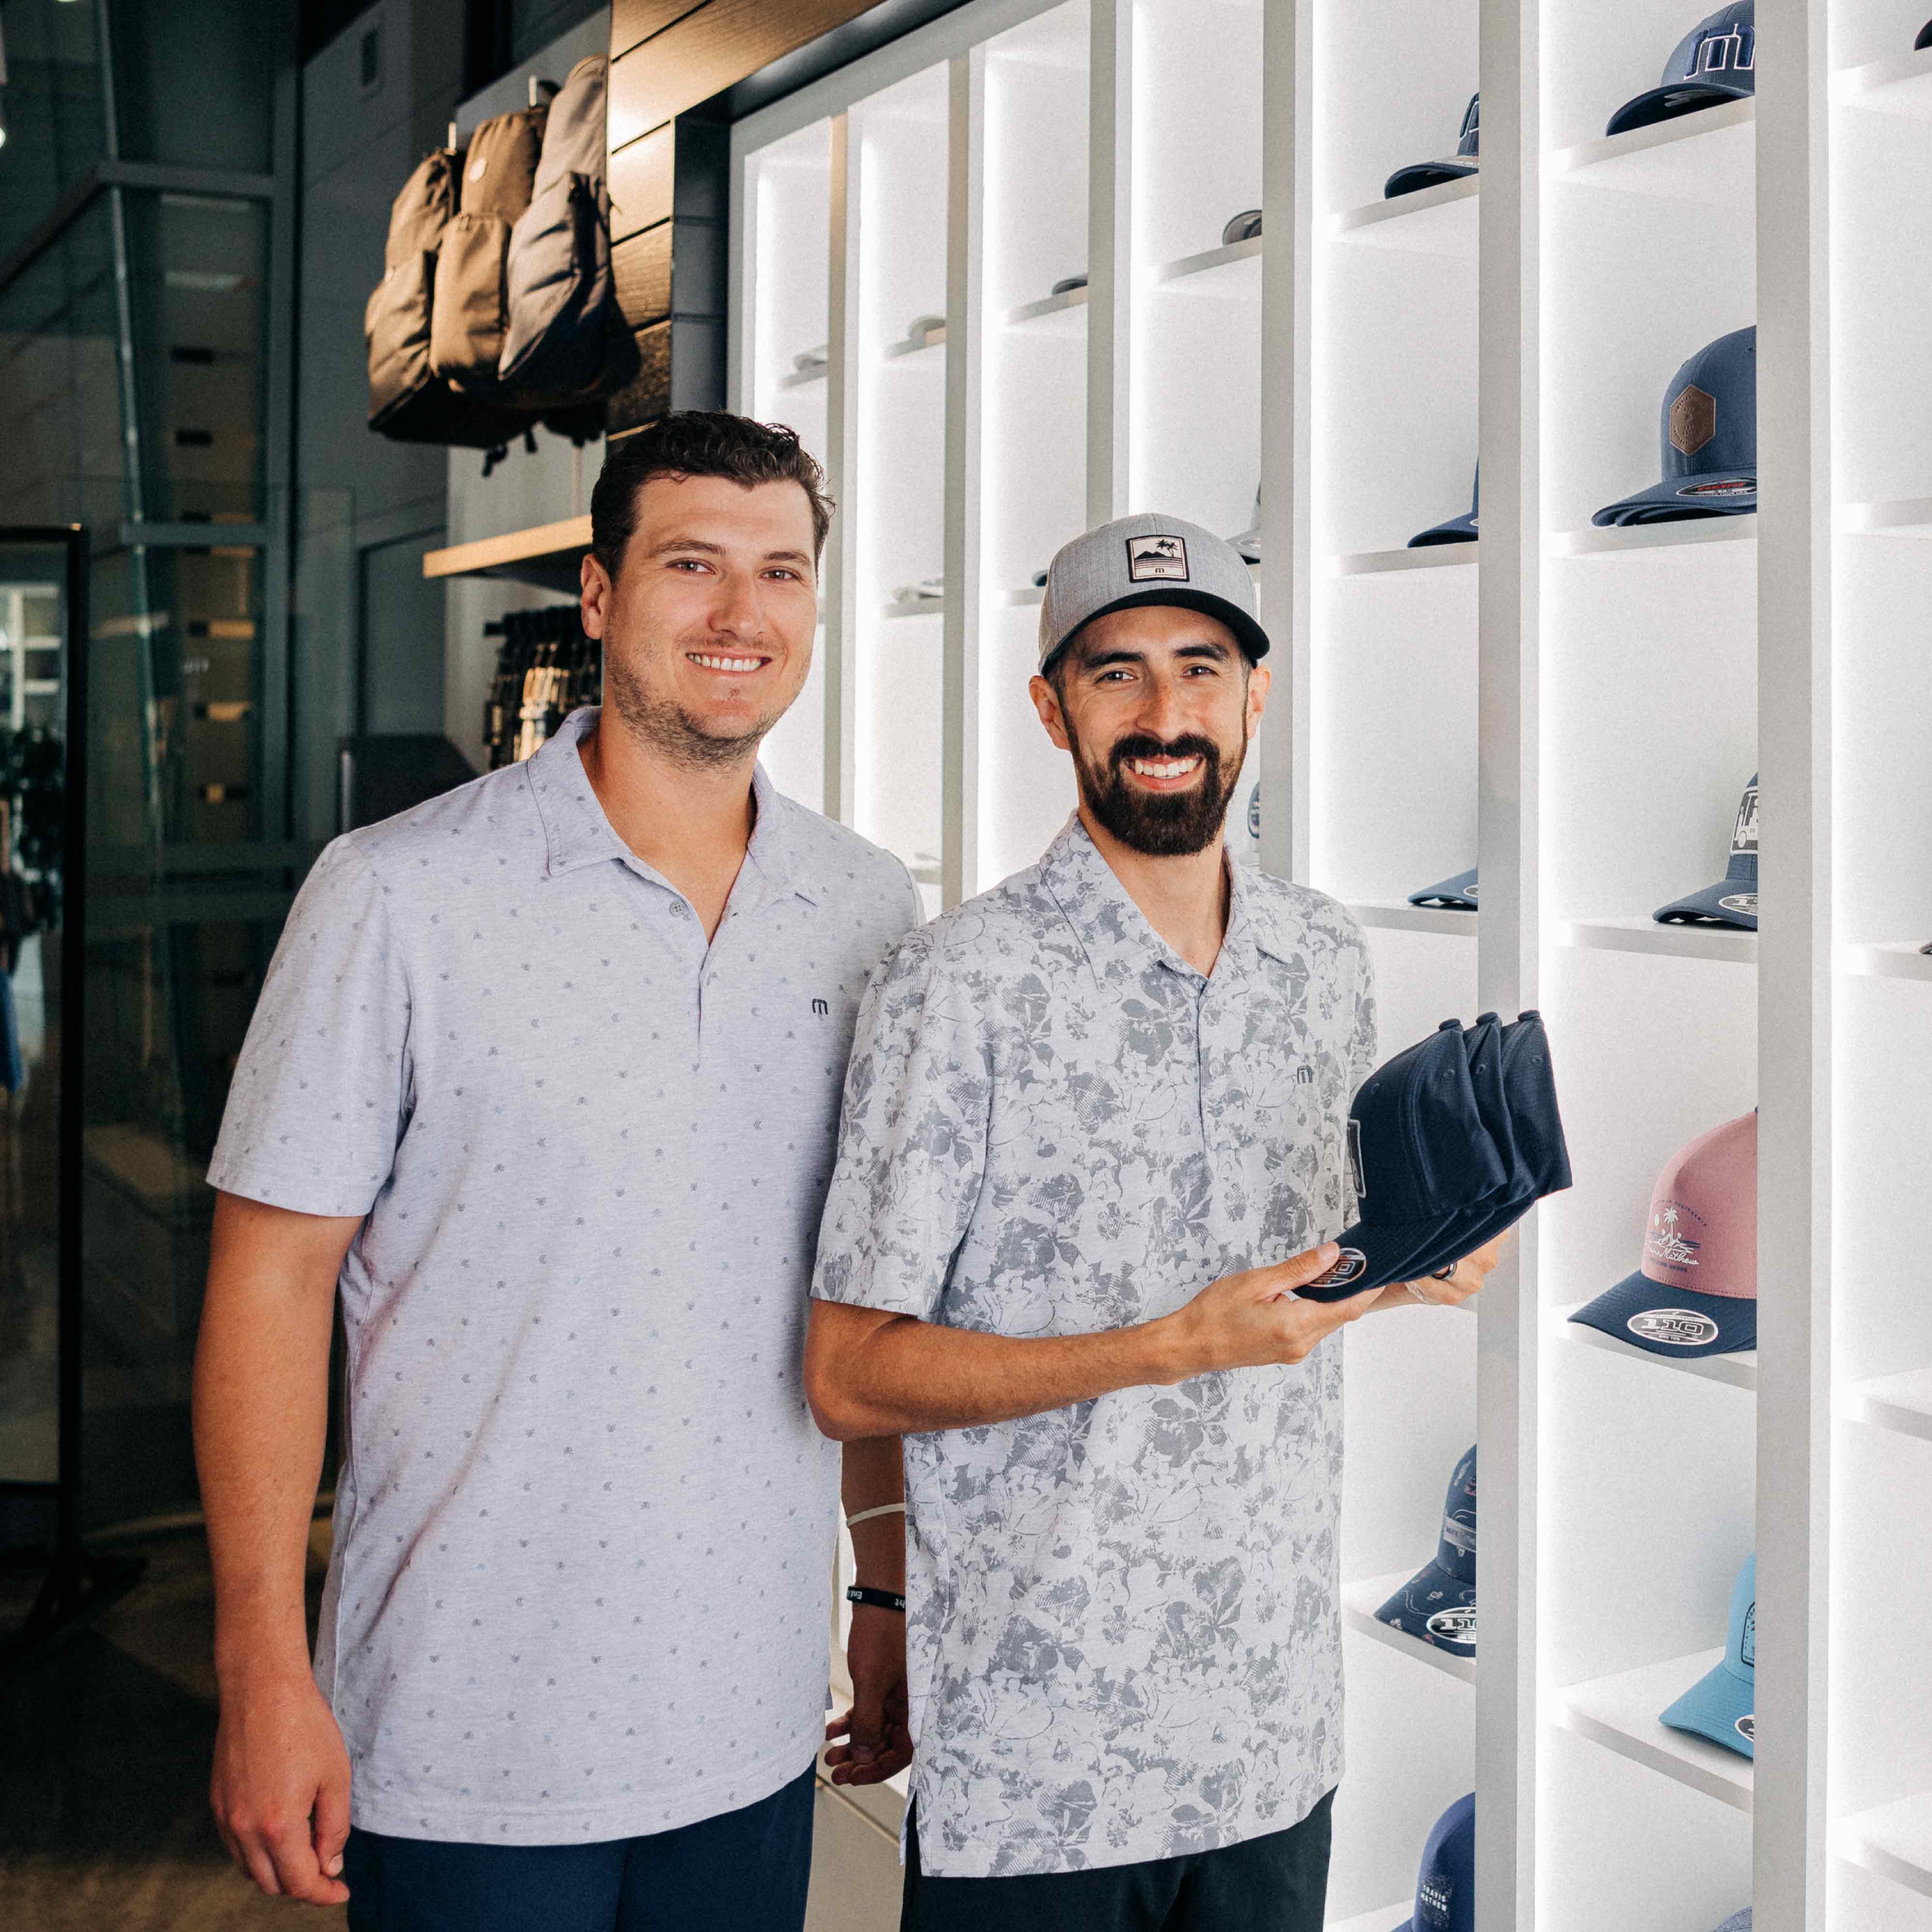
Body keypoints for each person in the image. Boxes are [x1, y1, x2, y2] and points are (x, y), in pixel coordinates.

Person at [193, 412, 921, 1931]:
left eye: (780, 572)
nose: (741, 614)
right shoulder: (397, 894)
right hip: (465, 1731)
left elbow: (864, 1301)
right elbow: (269, 1282)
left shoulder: (862, 908)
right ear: (597, 596)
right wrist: (263, 1666)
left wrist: (883, 1597)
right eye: (691, 566)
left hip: (745, 1719)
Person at [804, 513, 1504, 1932]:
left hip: (1269, 1734)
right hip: (1034, 1759)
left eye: (1200, 666)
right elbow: (847, 1369)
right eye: (1114, 674)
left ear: (1258, 692)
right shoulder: (955, 984)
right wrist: (1164, 1346)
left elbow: (1288, 1281)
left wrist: (1409, 1262)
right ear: (1049, 705)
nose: (1163, 713)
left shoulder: (1323, 954)